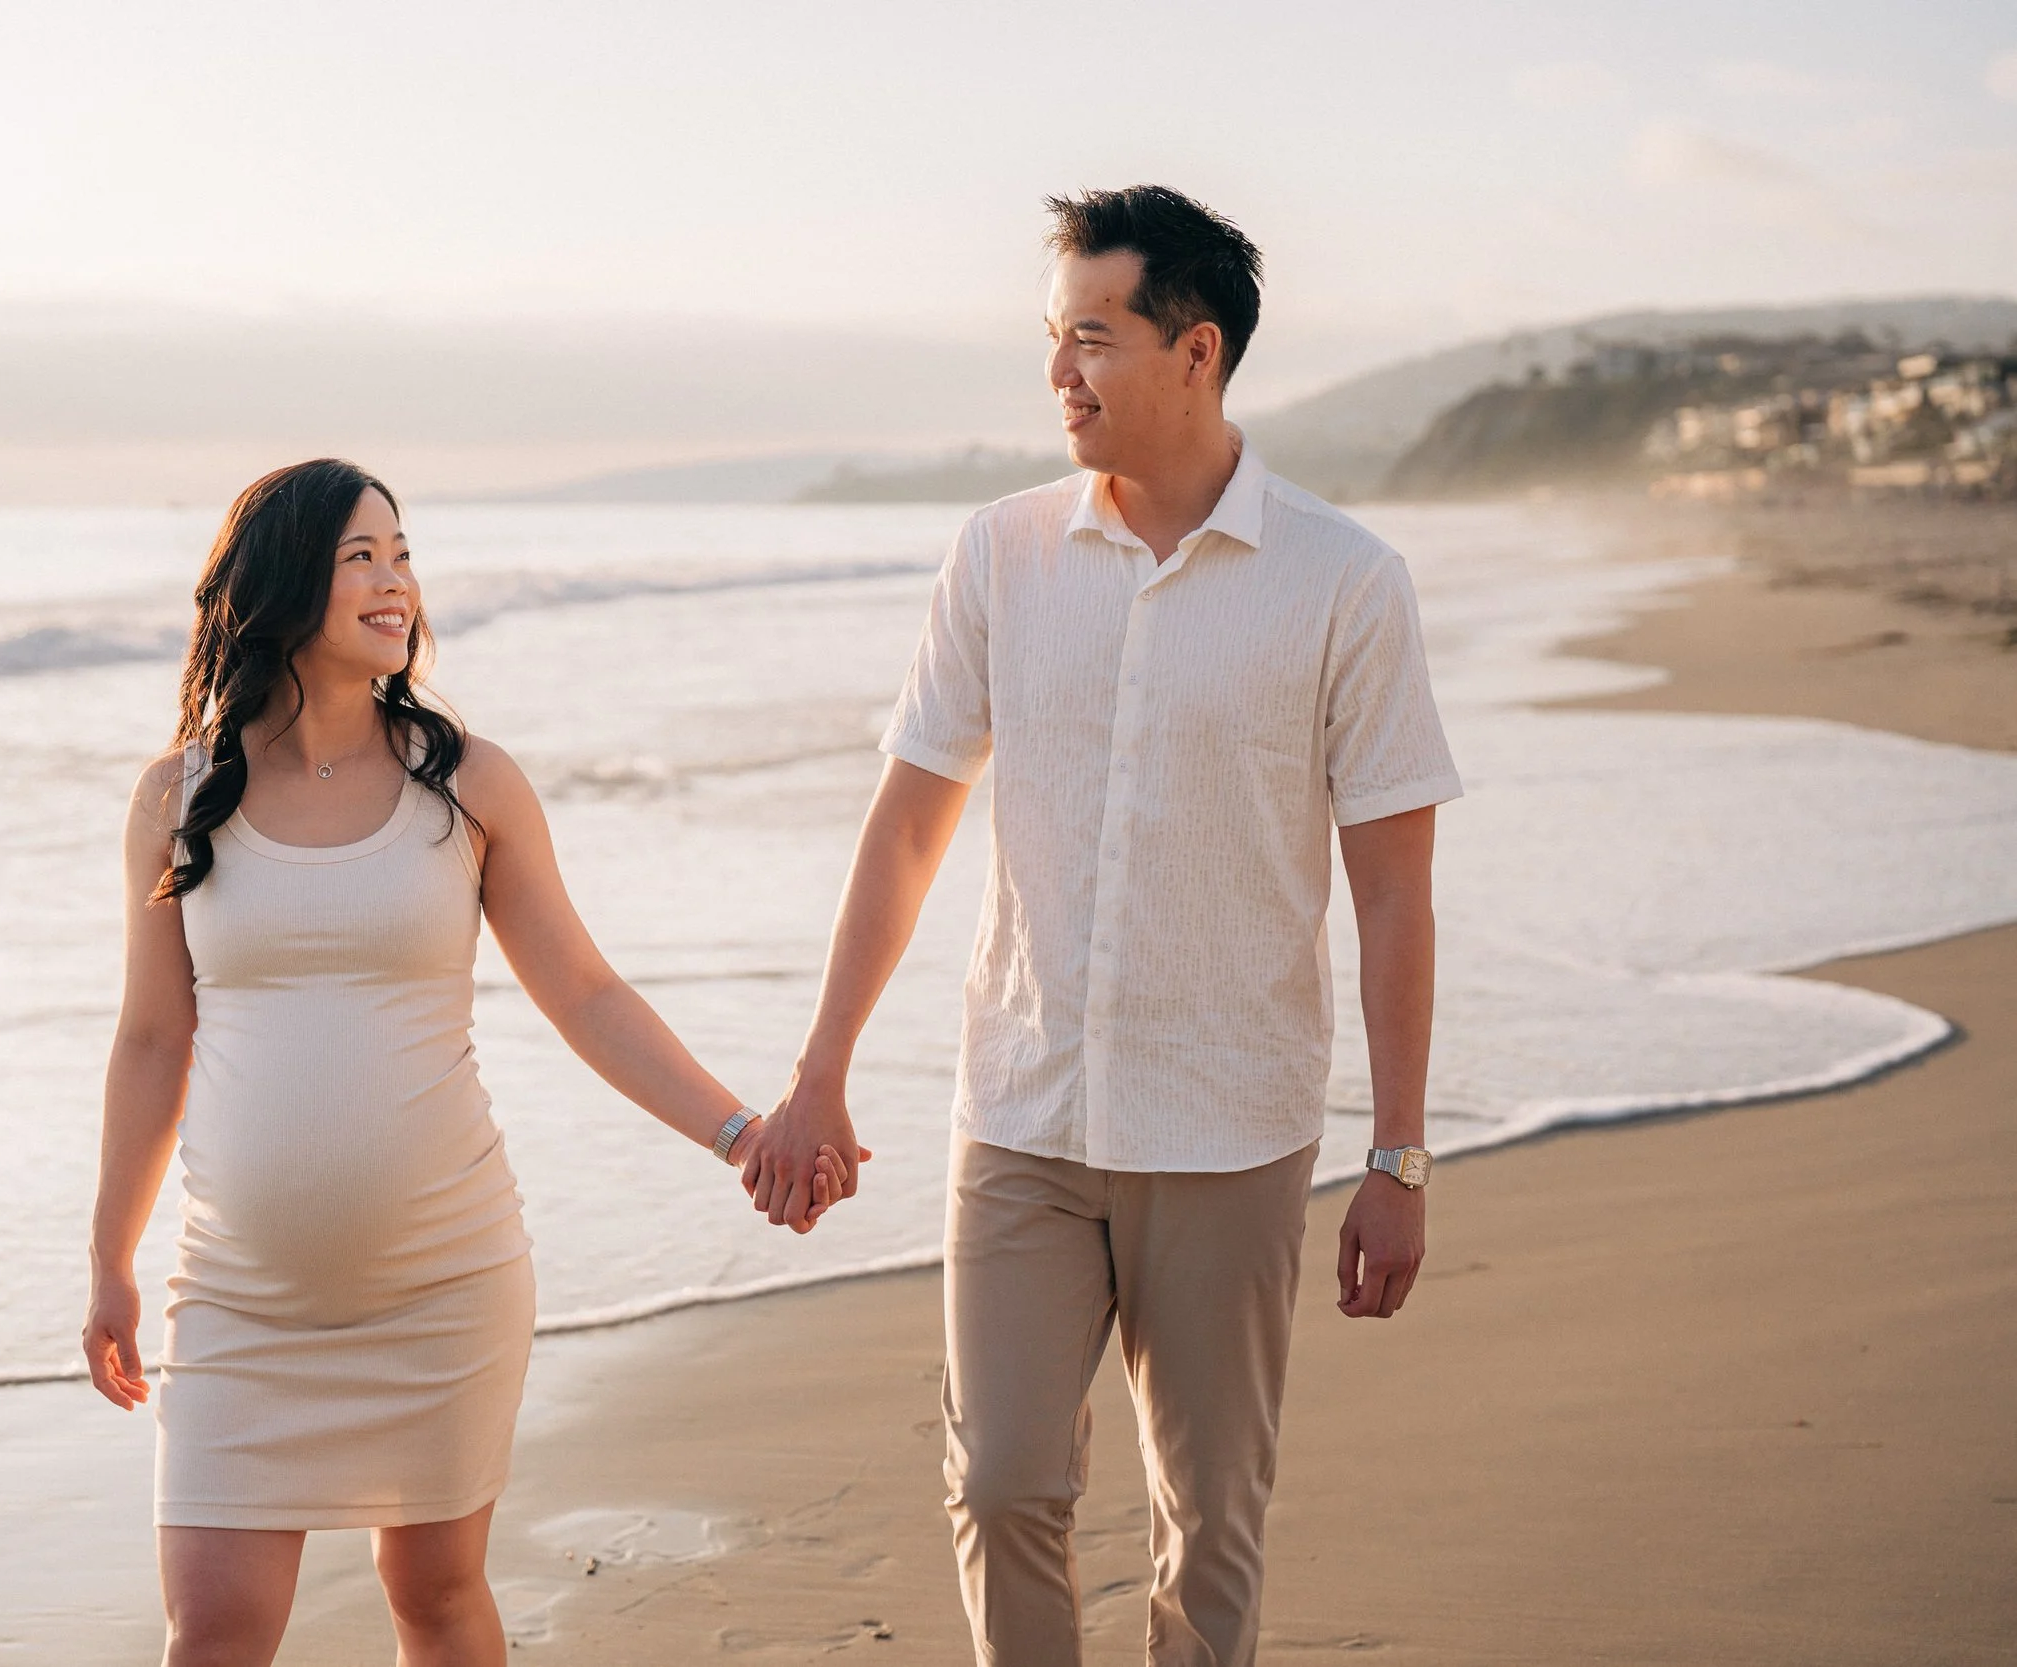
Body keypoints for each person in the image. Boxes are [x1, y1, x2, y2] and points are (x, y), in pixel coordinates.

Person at [742, 186, 1462, 1666]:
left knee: (1211, 1529)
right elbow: (909, 824)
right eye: (1051, 339)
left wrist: (1397, 1152)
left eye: (1092, 338)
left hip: (1232, 1124)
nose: (1059, 374)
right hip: (1023, 1111)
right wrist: (821, 1069)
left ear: (1195, 354)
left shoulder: (1345, 582)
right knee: (1002, 1476)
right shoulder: (998, 555)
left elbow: (1395, 888)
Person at [80, 459, 845, 1667]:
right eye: (360, 557)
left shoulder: (468, 784)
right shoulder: (176, 797)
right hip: (235, 1292)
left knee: (434, 1597)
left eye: (402, 552)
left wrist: (739, 1131)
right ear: (283, 585)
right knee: (215, 1626)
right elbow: (149, 1038)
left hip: (444, 1280)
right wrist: (108, 1257)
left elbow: (585, 992)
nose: (397, 581)